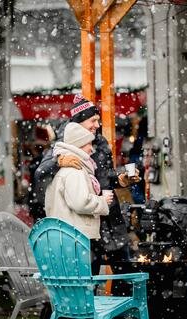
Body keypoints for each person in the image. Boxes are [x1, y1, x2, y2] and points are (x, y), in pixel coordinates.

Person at [34, 94, 139, 276]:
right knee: (89, 278)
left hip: (110, 218)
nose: (97, 125)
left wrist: (121, 179)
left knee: (125, 275)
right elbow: (41, 172)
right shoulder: (62, 144)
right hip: (85, 224)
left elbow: (105, 176)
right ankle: (93, 304)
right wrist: (59, 161)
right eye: (93, 120)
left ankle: (123, 303)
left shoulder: (100, 142)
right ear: (79, 122)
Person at [45, 122, 113, 238]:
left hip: (66, 235)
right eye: (89, 144)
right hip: (76, 236)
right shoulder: (75, 170)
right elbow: (81, 203)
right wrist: (102, 201)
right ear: (79, 144)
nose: (91, 149)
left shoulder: (65, 166)